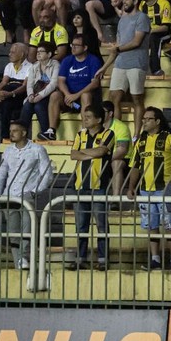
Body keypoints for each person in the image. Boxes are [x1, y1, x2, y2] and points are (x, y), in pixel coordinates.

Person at [126, 107, 171, 272]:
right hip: (145, 190)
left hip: (164, 189)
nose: (144, 122)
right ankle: (155, 259)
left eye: (148, 119)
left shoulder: (169, 137)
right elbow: (135, 166)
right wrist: (131, 187)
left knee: (169, 224)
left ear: (157, 121)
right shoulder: (140, 141)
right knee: (151, 225)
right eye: (143, 119)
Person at [0, 119, 54, 270]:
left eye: (15, 130)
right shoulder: (8, 150)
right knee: (13, 231)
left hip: (27, 193)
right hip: (9, 194)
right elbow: (1, 173)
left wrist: (34, 191)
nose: (11, 133)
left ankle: (25, 258)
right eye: (11, 130)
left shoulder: (37, 149)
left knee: (28, 229)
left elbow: (47, 173)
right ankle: (18, 262)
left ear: (24, 132)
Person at [67, 104, 114, 271]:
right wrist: (93, 152)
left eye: (88, 117)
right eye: (84, 117)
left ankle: (102, 259)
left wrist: (85, 152)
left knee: (101, 225)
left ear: (99, 119)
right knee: (81, 225)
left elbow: (101, 152)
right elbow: (73, 155)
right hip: (79, 186)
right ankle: (80, 258)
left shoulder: (109, 133)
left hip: (99, 186)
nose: (84, 120)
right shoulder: (80, 134)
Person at [98, 0, 150, 137]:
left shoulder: (142, 18)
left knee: (137, 99)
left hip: (137, 63)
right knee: (114, 96)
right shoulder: (122, 20)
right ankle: (115, 133)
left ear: (135, 1)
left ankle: (137, 135)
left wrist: (118, 48)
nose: (124, 1)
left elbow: (136, 41)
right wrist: (104, 67)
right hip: (120, 63)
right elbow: (117, 48)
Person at [46, 35, 103, 141]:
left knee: (85, 96)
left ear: (85, 47)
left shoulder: (93, 60)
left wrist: (76, 95)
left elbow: (94, 83)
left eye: (77, 45)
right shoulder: (67, 60)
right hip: (69, 99)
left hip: (86, 100)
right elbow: (61, 81)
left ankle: (85, 131)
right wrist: (68, 95)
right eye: (72, 45)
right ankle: (51, 131)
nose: (73, 47)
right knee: (55, 95)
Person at [0, 43, 30, 140]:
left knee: (11, 86)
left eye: (13, 52)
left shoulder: (30, 67)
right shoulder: (9, 66)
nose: (9, 54)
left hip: (20, 96)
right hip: (8, 97)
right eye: (10, 52)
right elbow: (4, 82)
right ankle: (5, 136)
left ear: (21, 55)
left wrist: (10, 93)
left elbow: (24, 86)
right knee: (6, 104)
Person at [19, 43, 60, 138]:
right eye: (37, 52)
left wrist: (40, 96)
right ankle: (21, 133)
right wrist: (30, 95)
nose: (38, 54)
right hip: (35, 94)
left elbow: (54, 84)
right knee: (27, 105)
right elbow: (29, 84)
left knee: (39, 106)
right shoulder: (35, 66)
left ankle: (46, 132)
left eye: (41, 52)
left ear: (49, 54)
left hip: (49, 94)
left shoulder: (55, 65)